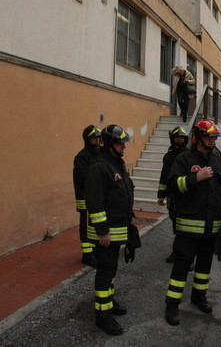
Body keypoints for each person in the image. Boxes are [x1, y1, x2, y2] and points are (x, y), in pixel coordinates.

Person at [164, 119, 221, 326]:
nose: (212, 141)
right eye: (209, 137)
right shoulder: (184, 159)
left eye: (214, 137)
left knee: (204, 265)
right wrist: (196, 178)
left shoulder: (218, 161)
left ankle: (199, 296)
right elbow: (173, 186)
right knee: (181, 266)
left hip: (212, 227)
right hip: (188, 228)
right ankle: (172, 304)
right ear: (198, 137)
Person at [84, 124, 134, 336]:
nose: (123, 146)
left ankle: (109, 302)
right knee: (105, 272)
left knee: (111, 268)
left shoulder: (115, 164)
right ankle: (102, 316)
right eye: (119, 142)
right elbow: (95, 203)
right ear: (109, 144)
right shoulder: (99, 167)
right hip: (105, 234)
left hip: (116, 230)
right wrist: (102, 231)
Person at [157, 126, 189, 263]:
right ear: (172, 139)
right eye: (177, 137)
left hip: (184, 196)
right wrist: (161, 194)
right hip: (171, 196)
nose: (179, 139)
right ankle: (178, 252)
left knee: (184, 226)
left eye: (182, 137)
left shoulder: (188, 156)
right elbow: (164, 176)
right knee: (175, 224)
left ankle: (186, 255)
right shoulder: (168, 156)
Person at [73, 125, 101, 267]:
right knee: (85, 226)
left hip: (96, 198)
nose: (97, 139)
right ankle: (87, 254)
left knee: (95, 226)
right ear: (87, 139)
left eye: (98, 137)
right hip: (85, 199)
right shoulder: (82, 157)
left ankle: (94, 250)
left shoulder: (99, 154)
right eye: (94, 137)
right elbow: (86, 179)